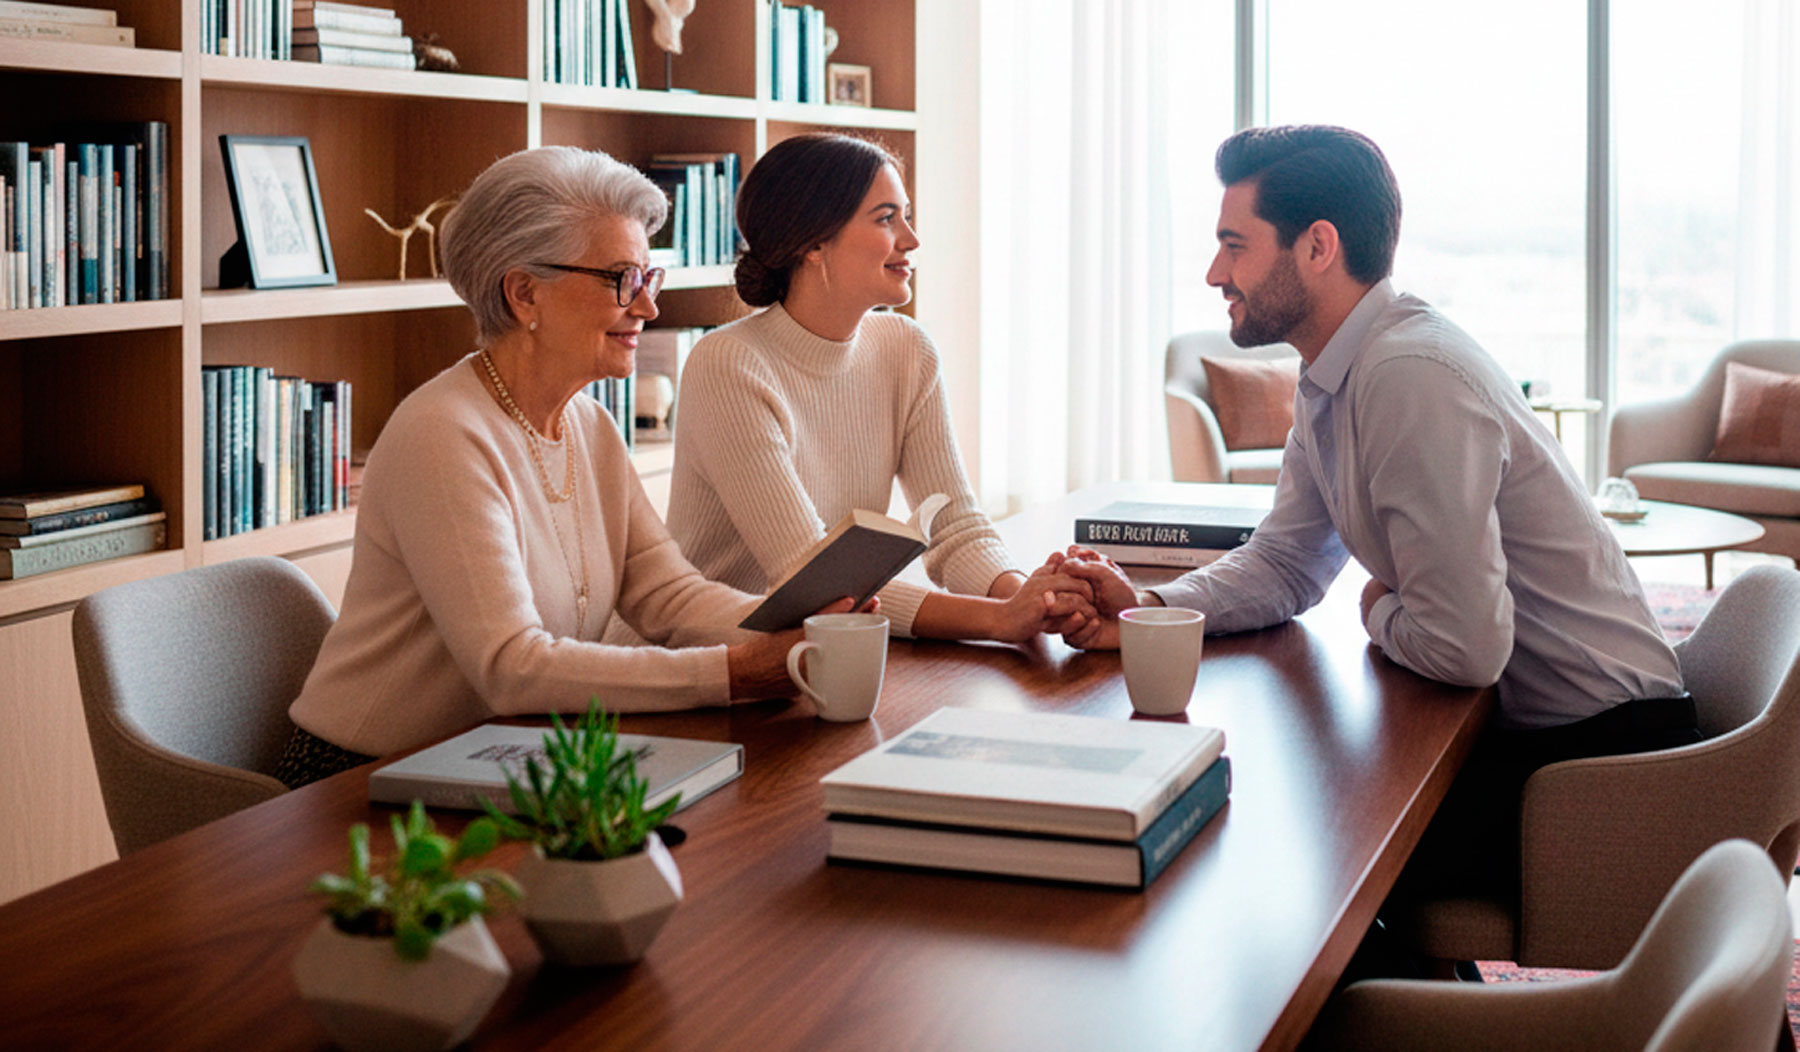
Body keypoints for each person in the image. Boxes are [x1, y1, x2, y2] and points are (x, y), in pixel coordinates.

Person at [1052, 125, 1693, 905]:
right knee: (1307, 827)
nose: (1216, 272)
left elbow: (1465, 649)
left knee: (1290, 848)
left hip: (1599, 772)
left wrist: (1377, 608)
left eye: (1235, 244)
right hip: (1544, 736)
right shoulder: (1334, 376)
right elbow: (1286, 561)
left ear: (1317, 246)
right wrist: (1151, 609)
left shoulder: (1406, 375)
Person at [279, 146, 843, 788]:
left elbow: (667, 594)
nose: (648, 308)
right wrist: (736, 673)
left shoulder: (590, 426)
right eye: (622, 280)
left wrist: (799, 629)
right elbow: (512, 666)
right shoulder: (441, 434)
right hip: (357, 781)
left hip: (497, 759)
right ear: (524, 294)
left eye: (648, 278)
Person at [664, 132, 1092, 644]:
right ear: (814, 242)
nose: (911, 239)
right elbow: (814, 580)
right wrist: (998, 621)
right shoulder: (728, 365)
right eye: (887, 218)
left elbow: (955, 529)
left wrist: (1031, 599)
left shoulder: (906, 349)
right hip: (716, 663)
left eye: (905, 216)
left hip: (826, 653)